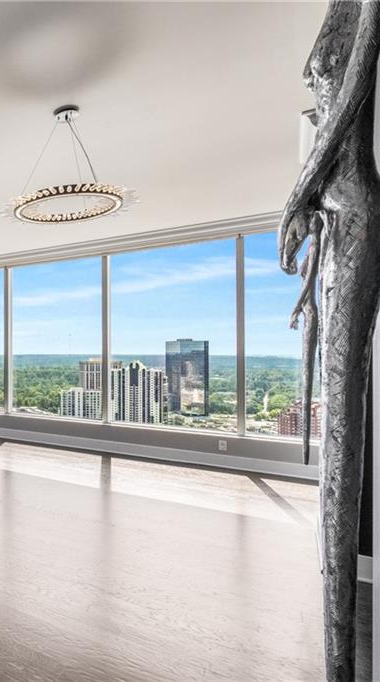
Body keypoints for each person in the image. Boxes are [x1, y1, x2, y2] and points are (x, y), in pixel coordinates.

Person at [278, 2, 380, 679]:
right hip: (335, 211)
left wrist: (297, 195)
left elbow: (347, 103)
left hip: (352, 204)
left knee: (346, 410)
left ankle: (341, 654)